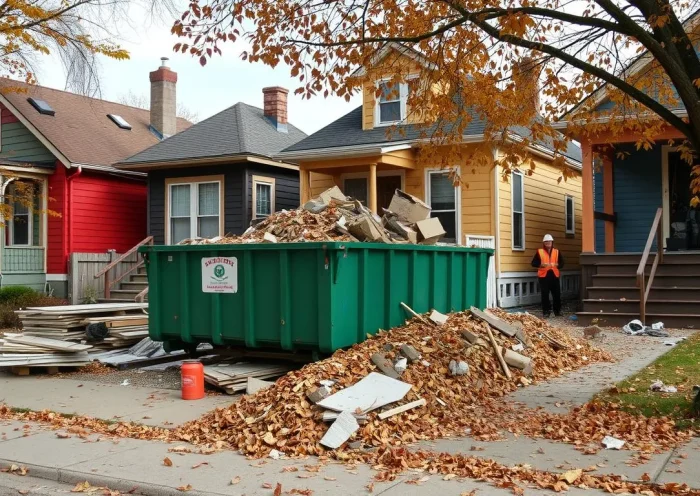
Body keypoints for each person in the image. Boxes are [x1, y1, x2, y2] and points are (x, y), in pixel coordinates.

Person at [531, 234, 564, 317]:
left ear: (552, 242)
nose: (548, 243)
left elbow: (562, 263)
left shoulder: (557, 252)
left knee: (557, 294)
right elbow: (533, 263)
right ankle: (546, 312)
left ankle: (557, 311)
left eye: (549, 242)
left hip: (554, 275)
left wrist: (557, 265)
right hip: (543, 276)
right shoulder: (540, 252)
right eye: (546, 242)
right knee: (545, 295)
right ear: (544, 243)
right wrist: (541, 265)